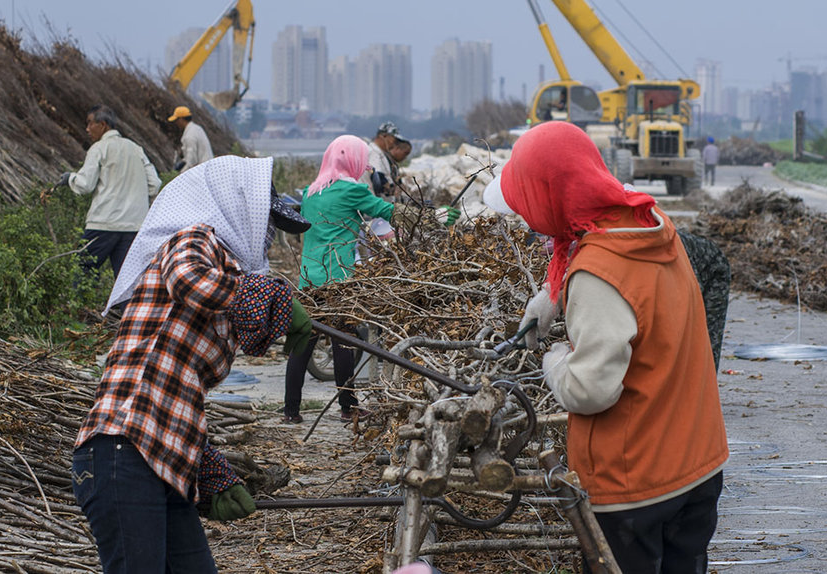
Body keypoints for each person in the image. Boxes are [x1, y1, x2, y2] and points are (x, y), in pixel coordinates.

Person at [483, 121, 728, 573]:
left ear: (550, 195)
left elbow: (591, 390)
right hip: (697, 463)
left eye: (527, 200)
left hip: (637, 482)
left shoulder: (598, 273)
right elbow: (635, 287)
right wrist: (553, 297)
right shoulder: (652, 227)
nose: (525, 215)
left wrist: (553, 361)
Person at [71, 155, 313, 573]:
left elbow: (178, 389)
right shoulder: (195, 240)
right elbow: (188, 281)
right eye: (269, 225)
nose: (269, 238)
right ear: (239, 208)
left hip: (165, 461)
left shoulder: (228, 276)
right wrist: (266, 296)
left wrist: (207, 467)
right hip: (121, 451)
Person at [284, 135, 459, 424]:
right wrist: (433, 217)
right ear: (350, 160)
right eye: (360, 158)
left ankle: (291, 412)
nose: (364, 164)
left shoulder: (310, 192)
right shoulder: (351, 190)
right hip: (339, 277)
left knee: (304, 340)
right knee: (344, 341)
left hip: (308, 277)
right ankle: (348, 408)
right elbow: (389, 211)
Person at [59, 104, 161, 280]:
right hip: (133, 226)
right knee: (126, 282)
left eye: (90, 123)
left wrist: (70, 178)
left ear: (103, 125)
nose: (87, 129)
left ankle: (79, 308)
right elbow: (155, 184)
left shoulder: (99, 148)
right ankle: (127, 308)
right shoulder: (136, 149)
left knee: (84, 273)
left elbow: (85, 185)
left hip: (103, 224)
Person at [168, 105, 215, 173]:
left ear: (181, 119)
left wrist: (180, 174)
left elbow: (191, 161)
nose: (176, 123)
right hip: (208, 166)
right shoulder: (197, 128)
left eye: (176, 120)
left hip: (203, 171)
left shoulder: (189, 136)